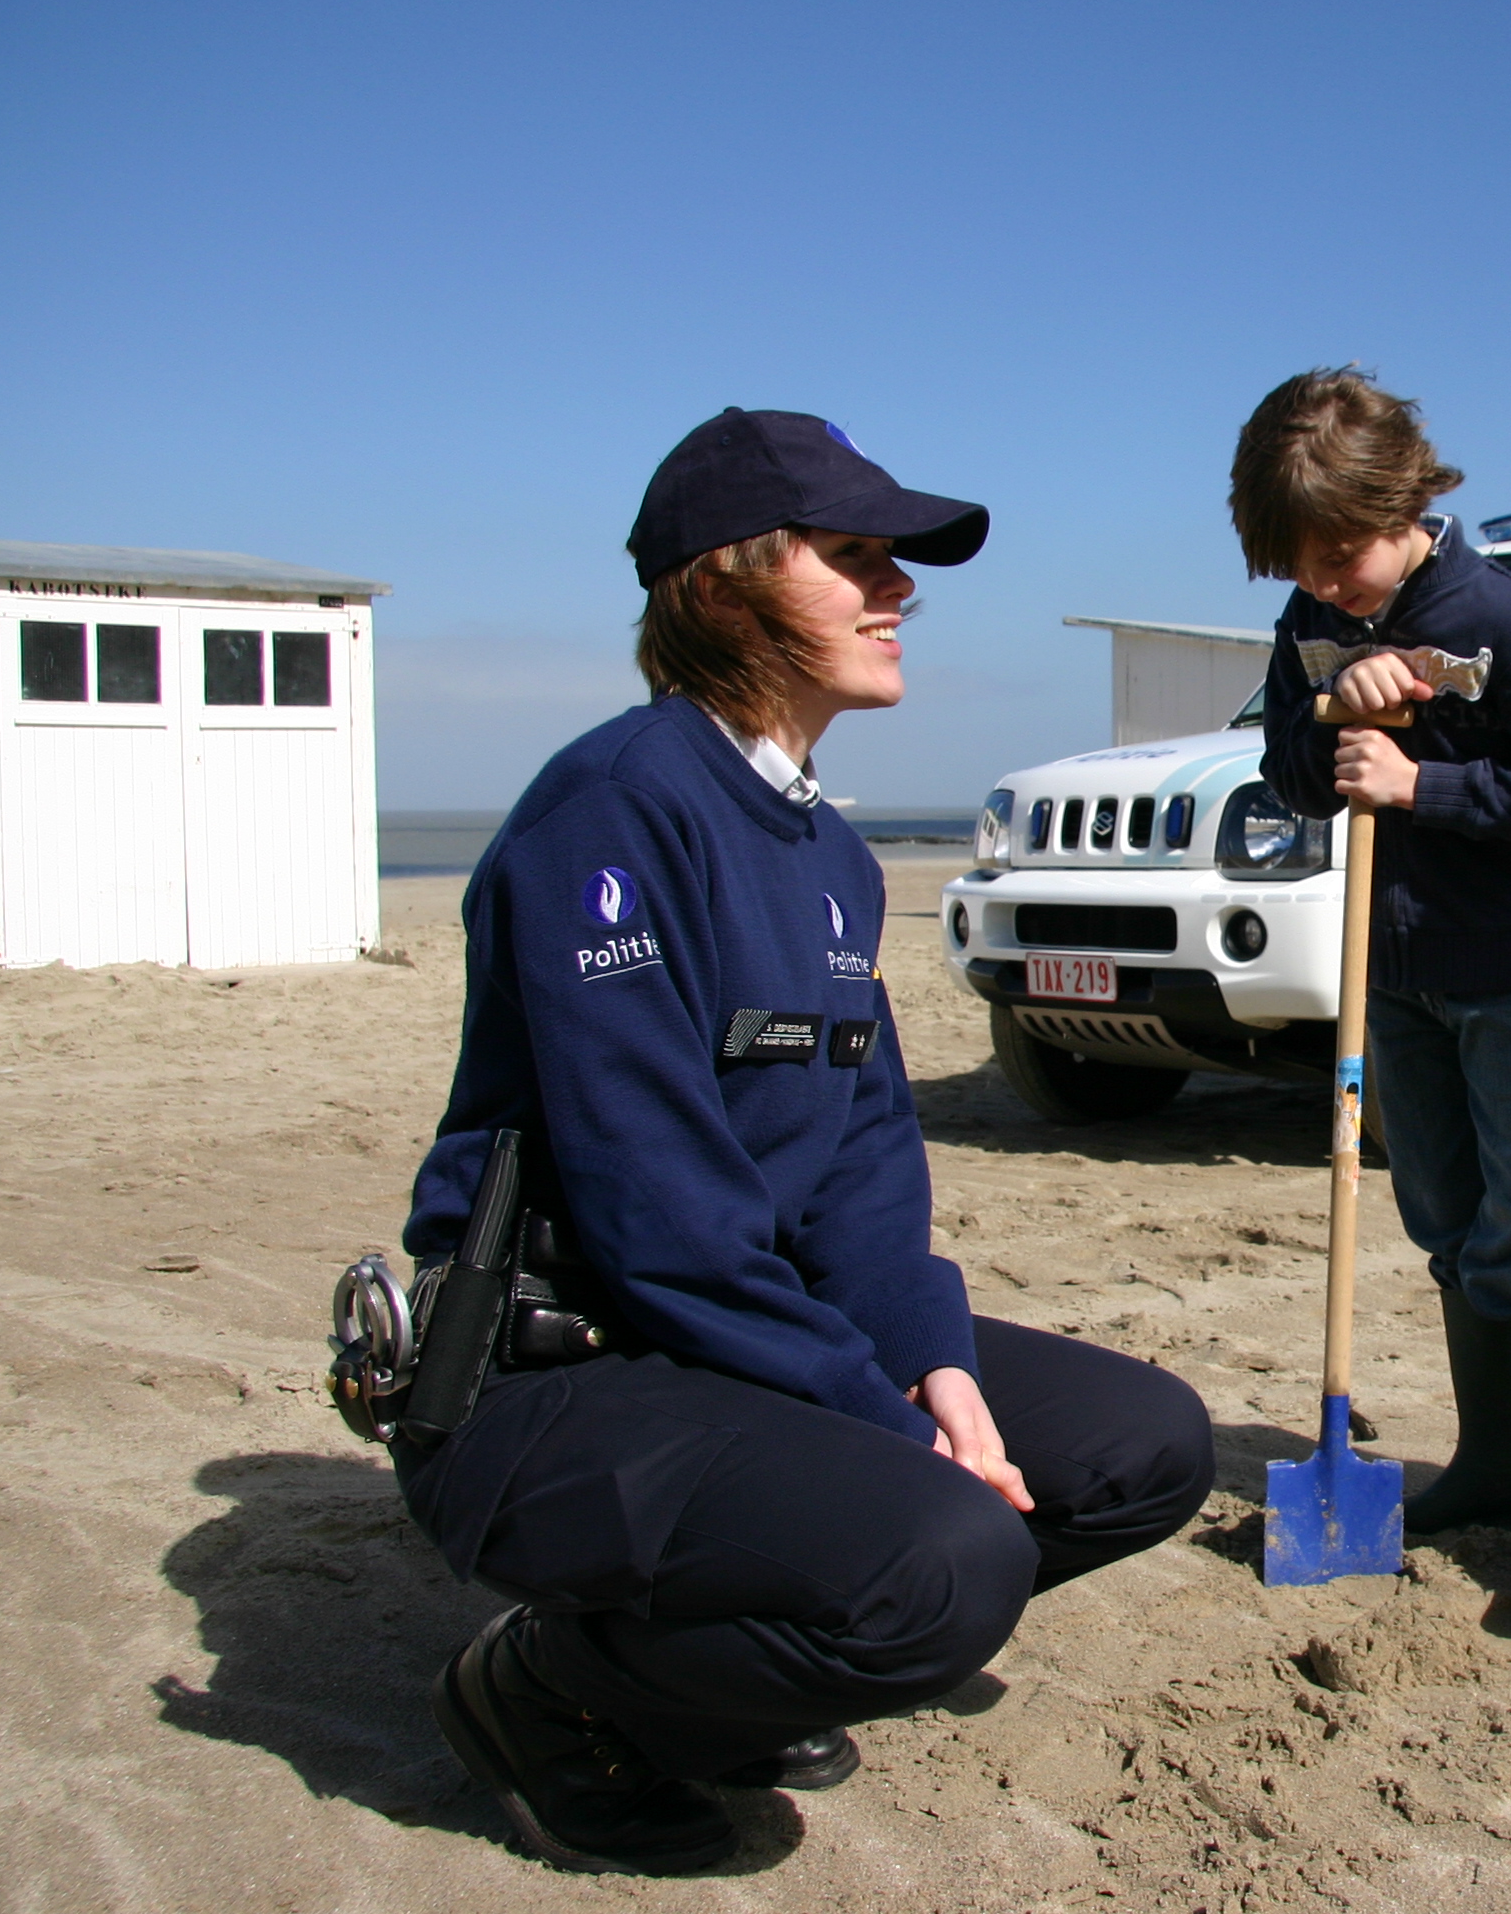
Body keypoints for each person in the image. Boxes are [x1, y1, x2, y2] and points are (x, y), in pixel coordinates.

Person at [394, 408, 1214, 1875]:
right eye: (853, 558)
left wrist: (936, 1363)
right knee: (944, 1563)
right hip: (564, 1372)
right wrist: (891, 1429)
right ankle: (552, 1692)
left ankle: (730, 1636)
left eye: (896, 560)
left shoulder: (828, 851)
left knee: (1142, 1449)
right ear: (722, 586)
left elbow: (862, 1158)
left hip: (731, 1339)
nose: (899, 591)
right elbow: (662, 1223)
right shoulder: (616, 811)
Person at [1231, 368, 1511, 1607]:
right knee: (1446, 1216)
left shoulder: (1510, 622)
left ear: (1407, 500)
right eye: (1299, 566)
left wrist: (1423, 789)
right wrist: (1323, 717)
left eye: (1343, 553)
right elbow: (1294, 774)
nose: (1327, 583)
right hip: (1391, 975)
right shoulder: (1312, 620)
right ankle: (1498, 1461)